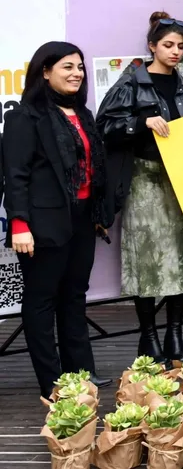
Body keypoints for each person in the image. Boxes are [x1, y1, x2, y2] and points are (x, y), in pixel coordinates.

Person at [6, 42, 113, 398]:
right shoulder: (24, 116)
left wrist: (99, 214)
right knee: (41, 302)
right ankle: (52, 383)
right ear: (45, 71)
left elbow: (94, 169)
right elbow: (15, 175)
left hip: (81, 218)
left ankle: (82, 373)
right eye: (67, 67)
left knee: (74, 297)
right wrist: (20, 224)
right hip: (41, 224)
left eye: (80, 67)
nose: (76, 73)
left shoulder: (81, 113)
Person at [97, 12, 183, 363]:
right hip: (144, 178)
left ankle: (175, 334)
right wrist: (141, 122)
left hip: (180, 180)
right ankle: (148, 336)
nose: (175, 51)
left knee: (179, 259)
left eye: (181, 47)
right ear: (152, 46)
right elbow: (105, 126)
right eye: (168, 45)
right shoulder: (131, 83)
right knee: (145, 261)